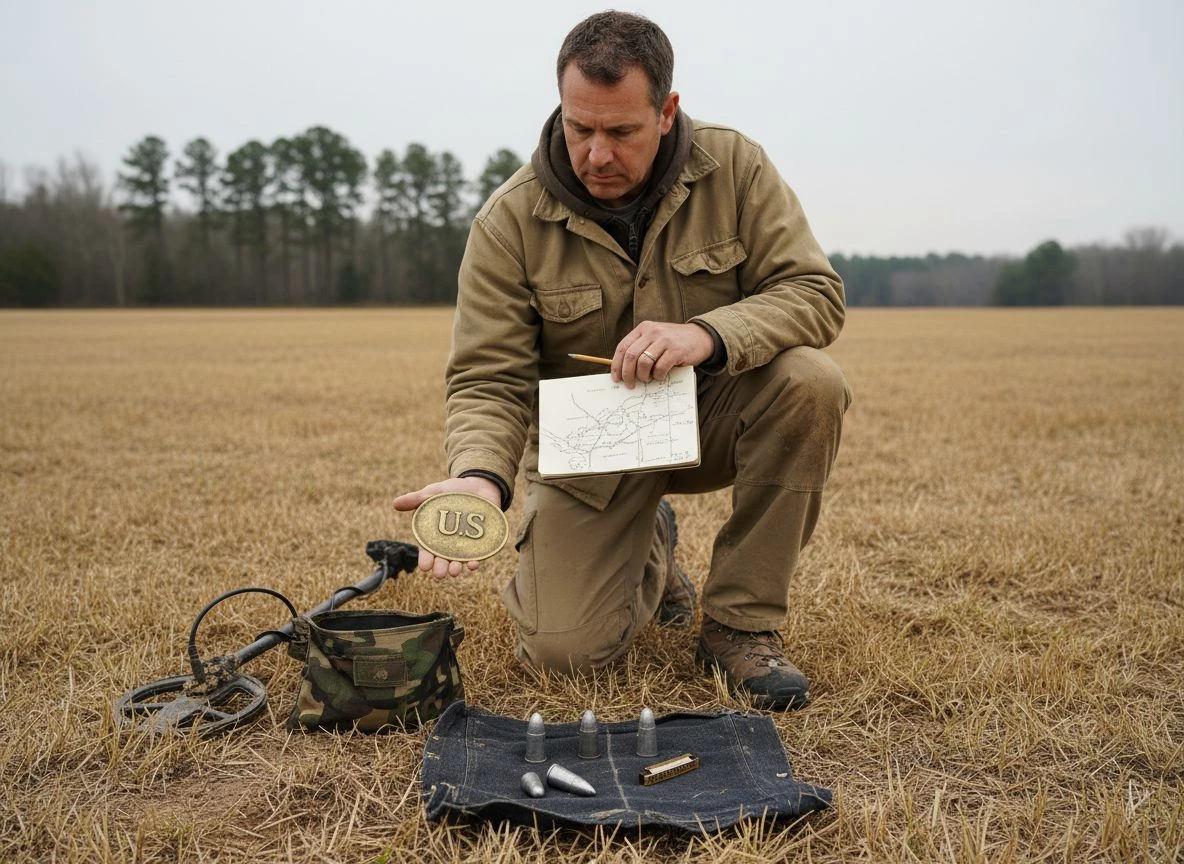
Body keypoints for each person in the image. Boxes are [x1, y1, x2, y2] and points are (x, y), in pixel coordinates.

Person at [394, 10, 850, 710]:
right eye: (581, 128)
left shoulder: (737, 167)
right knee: (564, 654)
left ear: (666, 111)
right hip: (590, 448)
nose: (596, 154)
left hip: (710, 414)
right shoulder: (509, 220)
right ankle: (652, 547)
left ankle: (739, 626)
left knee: (810, 383)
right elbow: (490, 376)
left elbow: (815, 293)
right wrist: (480, 476)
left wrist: (708, 333)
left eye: (621, 131)